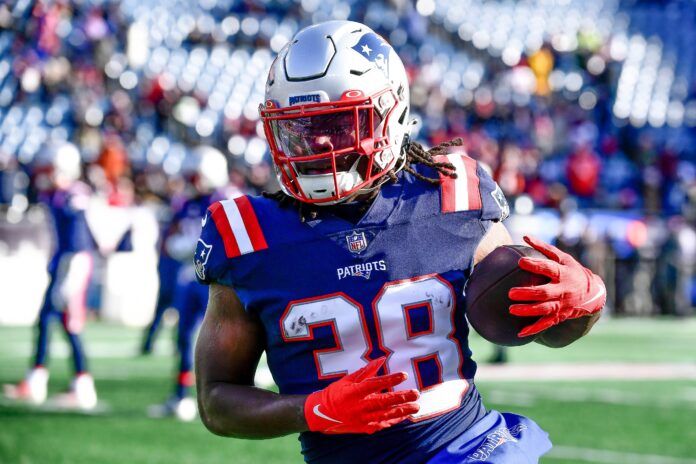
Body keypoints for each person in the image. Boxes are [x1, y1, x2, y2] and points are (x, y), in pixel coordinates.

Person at [193, 21, 606, 463]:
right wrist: (310, 411)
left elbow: (528, 321)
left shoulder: (449, 192)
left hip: (466, 446)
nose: (316, 146)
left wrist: (584, 303)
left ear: (389, 114)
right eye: (300, 128)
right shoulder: (245, 234)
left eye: (336, 124)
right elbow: (217, 401)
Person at [3, 141, 98, 410]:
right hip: (63, 262)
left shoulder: (74, 195)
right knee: (46, 321)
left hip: (74, 263)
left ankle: (80, 384)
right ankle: (40, 380)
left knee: (68, 324)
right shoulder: (55, 193)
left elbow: (78, 242)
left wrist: (70, 277)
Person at [147, 146, 234, 421]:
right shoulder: (186, 203)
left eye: (196, 174)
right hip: (190, 278)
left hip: (217, 282)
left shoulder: (226, 201)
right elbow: (172, 238)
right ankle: (181, 396)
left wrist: (190, 246)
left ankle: (231, 394)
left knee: (223, 342)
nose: (192, 180)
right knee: (184, 339)